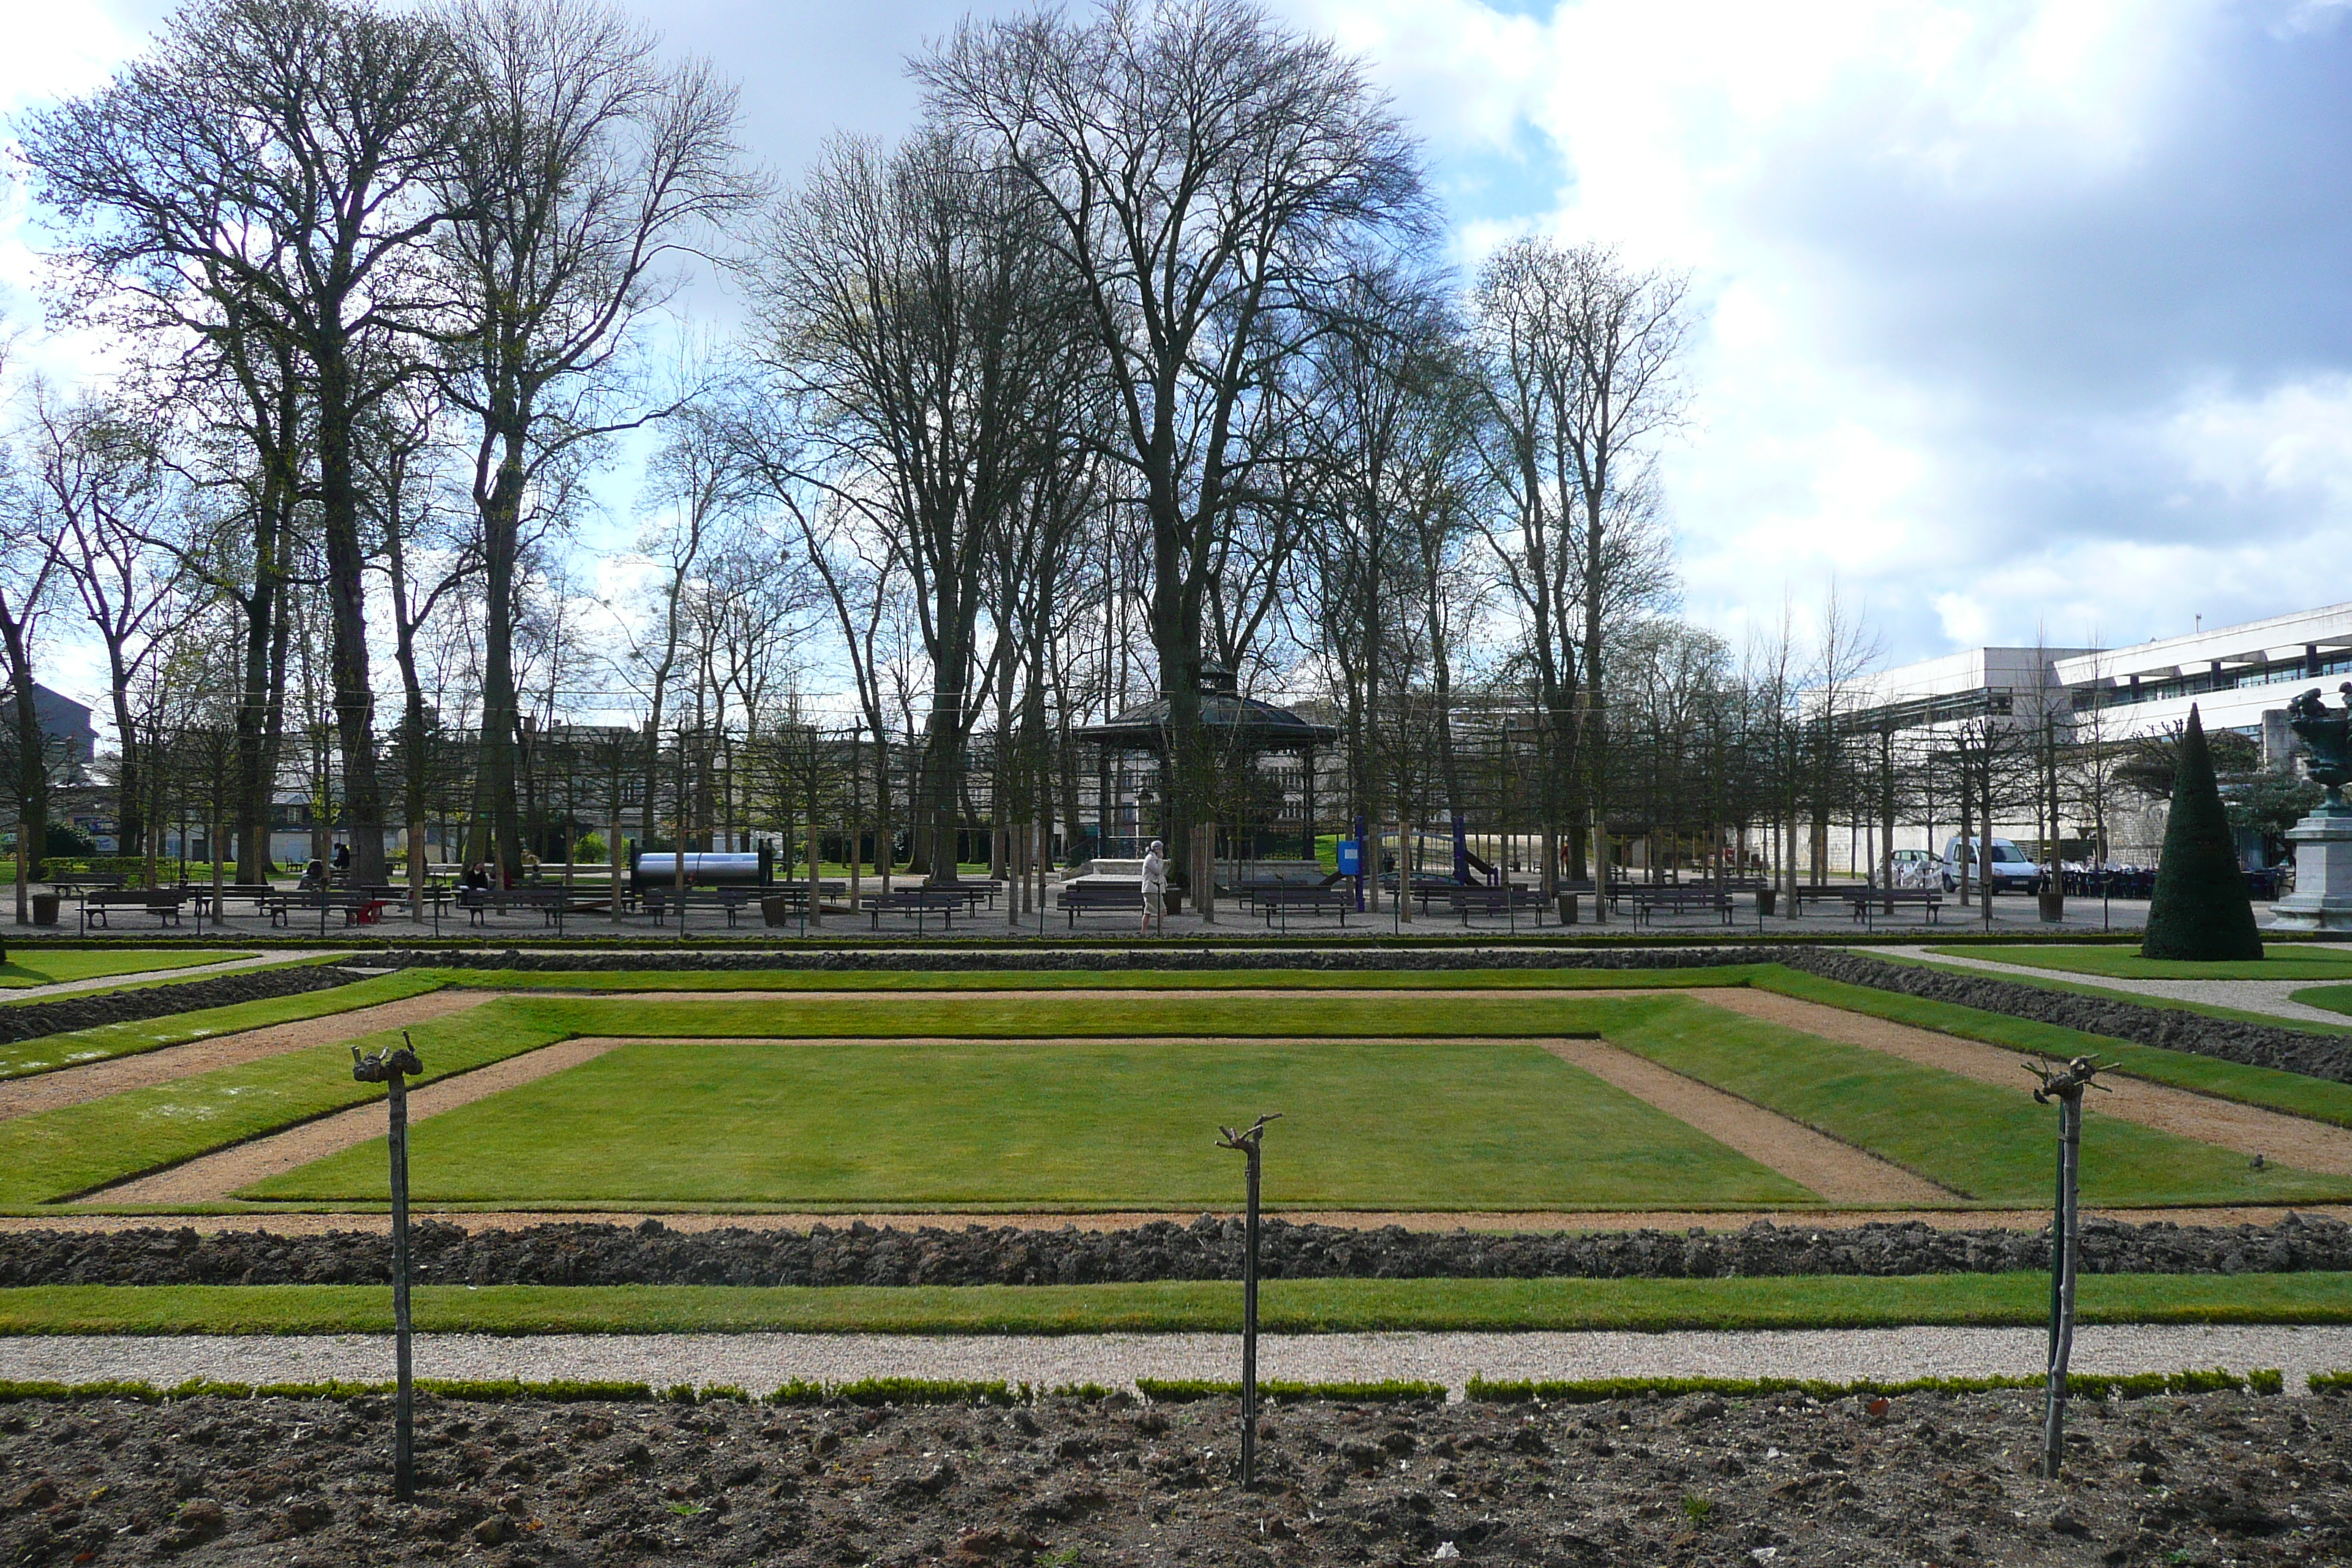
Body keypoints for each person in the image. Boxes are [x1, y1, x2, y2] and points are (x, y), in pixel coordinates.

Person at [1140, 838, 1167, 936]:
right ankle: (1160, 931)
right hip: (1151, 889)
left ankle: (1143, 932)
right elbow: (1157, 871)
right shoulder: (1151, 859)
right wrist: (1160, 859)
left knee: (1148, 912)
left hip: (1152, 889)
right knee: (1162, 910)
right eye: (1160, 849)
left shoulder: (1152, 858)